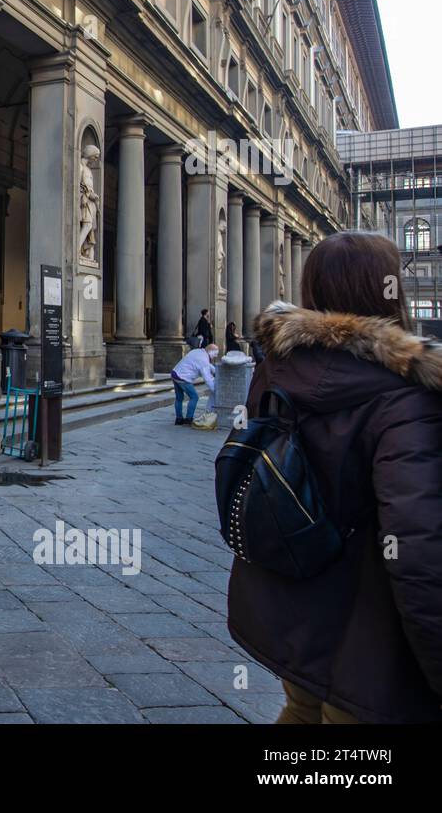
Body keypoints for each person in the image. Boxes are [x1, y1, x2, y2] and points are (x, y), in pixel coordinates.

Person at [229, 232, 442, 723]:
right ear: (387, 291)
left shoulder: (276, 370)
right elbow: (417, 546)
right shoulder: (407, 396)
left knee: (301, 710)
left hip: (289, 601)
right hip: (368, 631)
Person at [170, 343, 217, 425]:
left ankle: (179, 419)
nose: (216, 356)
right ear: (210, 352)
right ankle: (189, 419)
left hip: (175, 373)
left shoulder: (197, 351)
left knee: (179, 398)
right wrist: (215, 390)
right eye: (215, 354)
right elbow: (207, 378)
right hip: (183, 378)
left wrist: (216, 371)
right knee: (194, 397)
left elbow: (208, 365)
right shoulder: (203, 360)